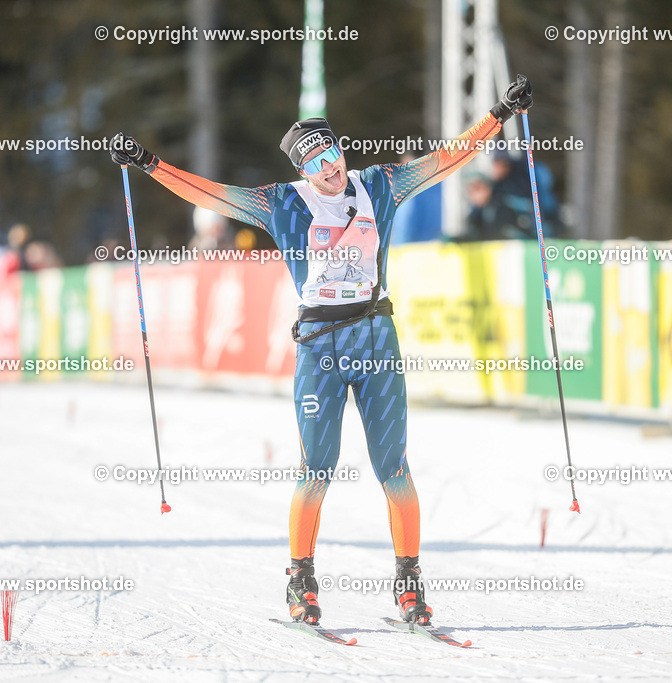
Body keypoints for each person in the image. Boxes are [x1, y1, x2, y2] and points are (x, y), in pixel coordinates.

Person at [110, 75, 533, 627]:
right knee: (317, 469)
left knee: (394, 469)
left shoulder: (379, 183)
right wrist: (149, 162)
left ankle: (409, 582)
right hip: (319, 345)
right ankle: (301, 581)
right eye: (315, 165)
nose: (329, 169)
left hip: (376, 339)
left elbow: (446, 161)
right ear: (301, 171)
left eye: (331, 154)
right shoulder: (282, 204)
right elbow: (209, 193)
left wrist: (499, 114)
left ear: (340, 149)